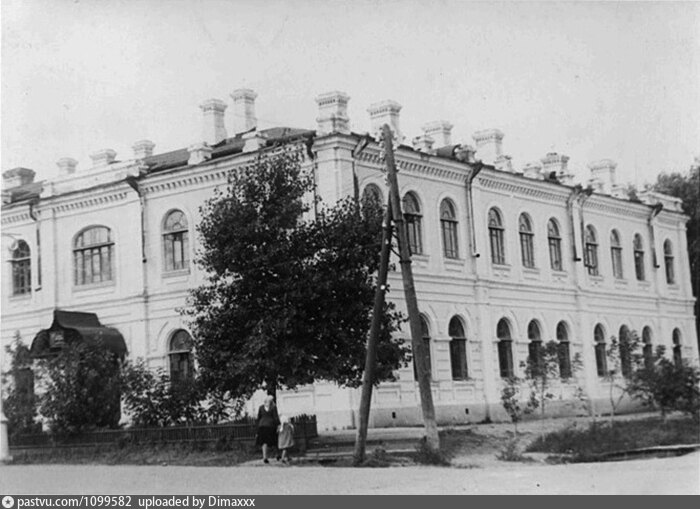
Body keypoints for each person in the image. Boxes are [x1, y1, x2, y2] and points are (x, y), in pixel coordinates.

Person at [256, 395, 279, 464]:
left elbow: (259, 417)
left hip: (262, 426)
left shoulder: (261, 407)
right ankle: (277, 455)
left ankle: (265, 457)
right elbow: (275, 417)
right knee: (274, 441)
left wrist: (258, 426)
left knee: (264, 442)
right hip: (271, 426)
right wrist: (278, 424)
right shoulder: (273, 407)